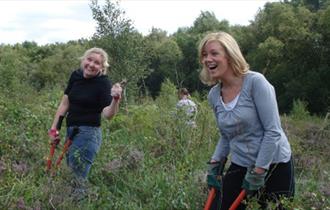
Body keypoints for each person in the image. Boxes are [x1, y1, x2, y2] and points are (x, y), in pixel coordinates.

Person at [199, 32, 295, 209]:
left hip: (275, 165)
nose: (207, 59)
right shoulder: (214, 95)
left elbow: (273, 131)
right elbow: (226, 136)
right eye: (204, 55)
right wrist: (215, 162)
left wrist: (259, 170)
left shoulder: (256, 83)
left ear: (229, 55)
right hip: (242, 163)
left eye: (214, 53)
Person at [48, 47, 122, 197]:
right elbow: (64, 104)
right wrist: (54, 129)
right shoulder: (76, 76)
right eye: (89, 59)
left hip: (89, 134)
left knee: (77, 178)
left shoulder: (103, 83)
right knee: (71, 174)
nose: (91, 64)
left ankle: (76, 203)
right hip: (71, 131)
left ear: (102, 67)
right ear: (83, 59)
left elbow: (108, 114)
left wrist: (115, 100)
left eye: (97, 63)